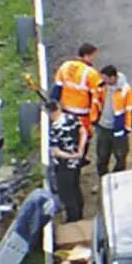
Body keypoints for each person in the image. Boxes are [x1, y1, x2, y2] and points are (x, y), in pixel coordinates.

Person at [46, 93, 89, 224]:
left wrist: (70, 156)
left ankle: (73, 219)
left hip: (64, 165)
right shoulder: (71, 118)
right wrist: (80, 150)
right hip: (76, 163)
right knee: (76, 187)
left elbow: (55, 152)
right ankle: (80, 213)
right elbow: (83, 132)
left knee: (67, 193)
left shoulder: (54, 129)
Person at [91, 64, 132, 178]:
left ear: (113, 78)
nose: (103, 80)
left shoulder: (126, 91)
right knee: (102, 156)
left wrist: (127, 128)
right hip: (103, 127)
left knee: (121, 155)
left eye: (105, 78)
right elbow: (96, 102)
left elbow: (131, 110)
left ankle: (118, 178)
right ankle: (103, 179)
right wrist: (95, 119)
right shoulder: (101, 87)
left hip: (118, 129)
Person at [54, 43, 105, 135]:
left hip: (65, 112)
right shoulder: (91, 74)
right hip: (83, 115)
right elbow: (98, 98)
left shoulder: (65, 66)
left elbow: (57, 90)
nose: (94, 59)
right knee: (83, 138)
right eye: (93, 56)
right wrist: (96, 119)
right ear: (86, 56)